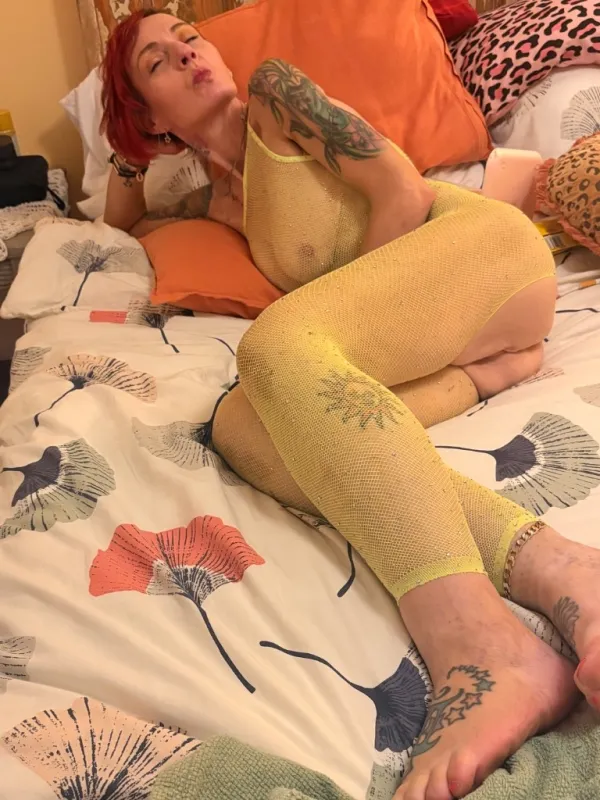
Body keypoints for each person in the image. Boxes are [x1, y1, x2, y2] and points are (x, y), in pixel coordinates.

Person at [101, 11, 600, 799]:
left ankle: (481, 642)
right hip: (436, 331)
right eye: (158, 62)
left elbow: (402, 190)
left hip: (476, 252)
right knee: (243, 428)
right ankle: (560, 564)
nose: (189, 53)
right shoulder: (217, 203)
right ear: (150, 116)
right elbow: (117, 224)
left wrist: (323, 327)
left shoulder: (277, 97)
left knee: (273, 350)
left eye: (188, 37)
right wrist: (127, 151)